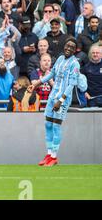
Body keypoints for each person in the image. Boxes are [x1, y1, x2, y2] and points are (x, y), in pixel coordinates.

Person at [29, 37, 81, 167]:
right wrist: (36, 84)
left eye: (72, 47)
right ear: (64, 46)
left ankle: (54, 156)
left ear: (75, 50)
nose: (68, 48)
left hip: (62, 99)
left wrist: (61, 100)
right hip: (52, 97)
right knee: (48, 124)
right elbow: (51, 74)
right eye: (67, 46)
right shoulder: (59, 58)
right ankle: (48, 154)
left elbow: (71, 85)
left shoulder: (75, 64)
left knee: (56, 126)